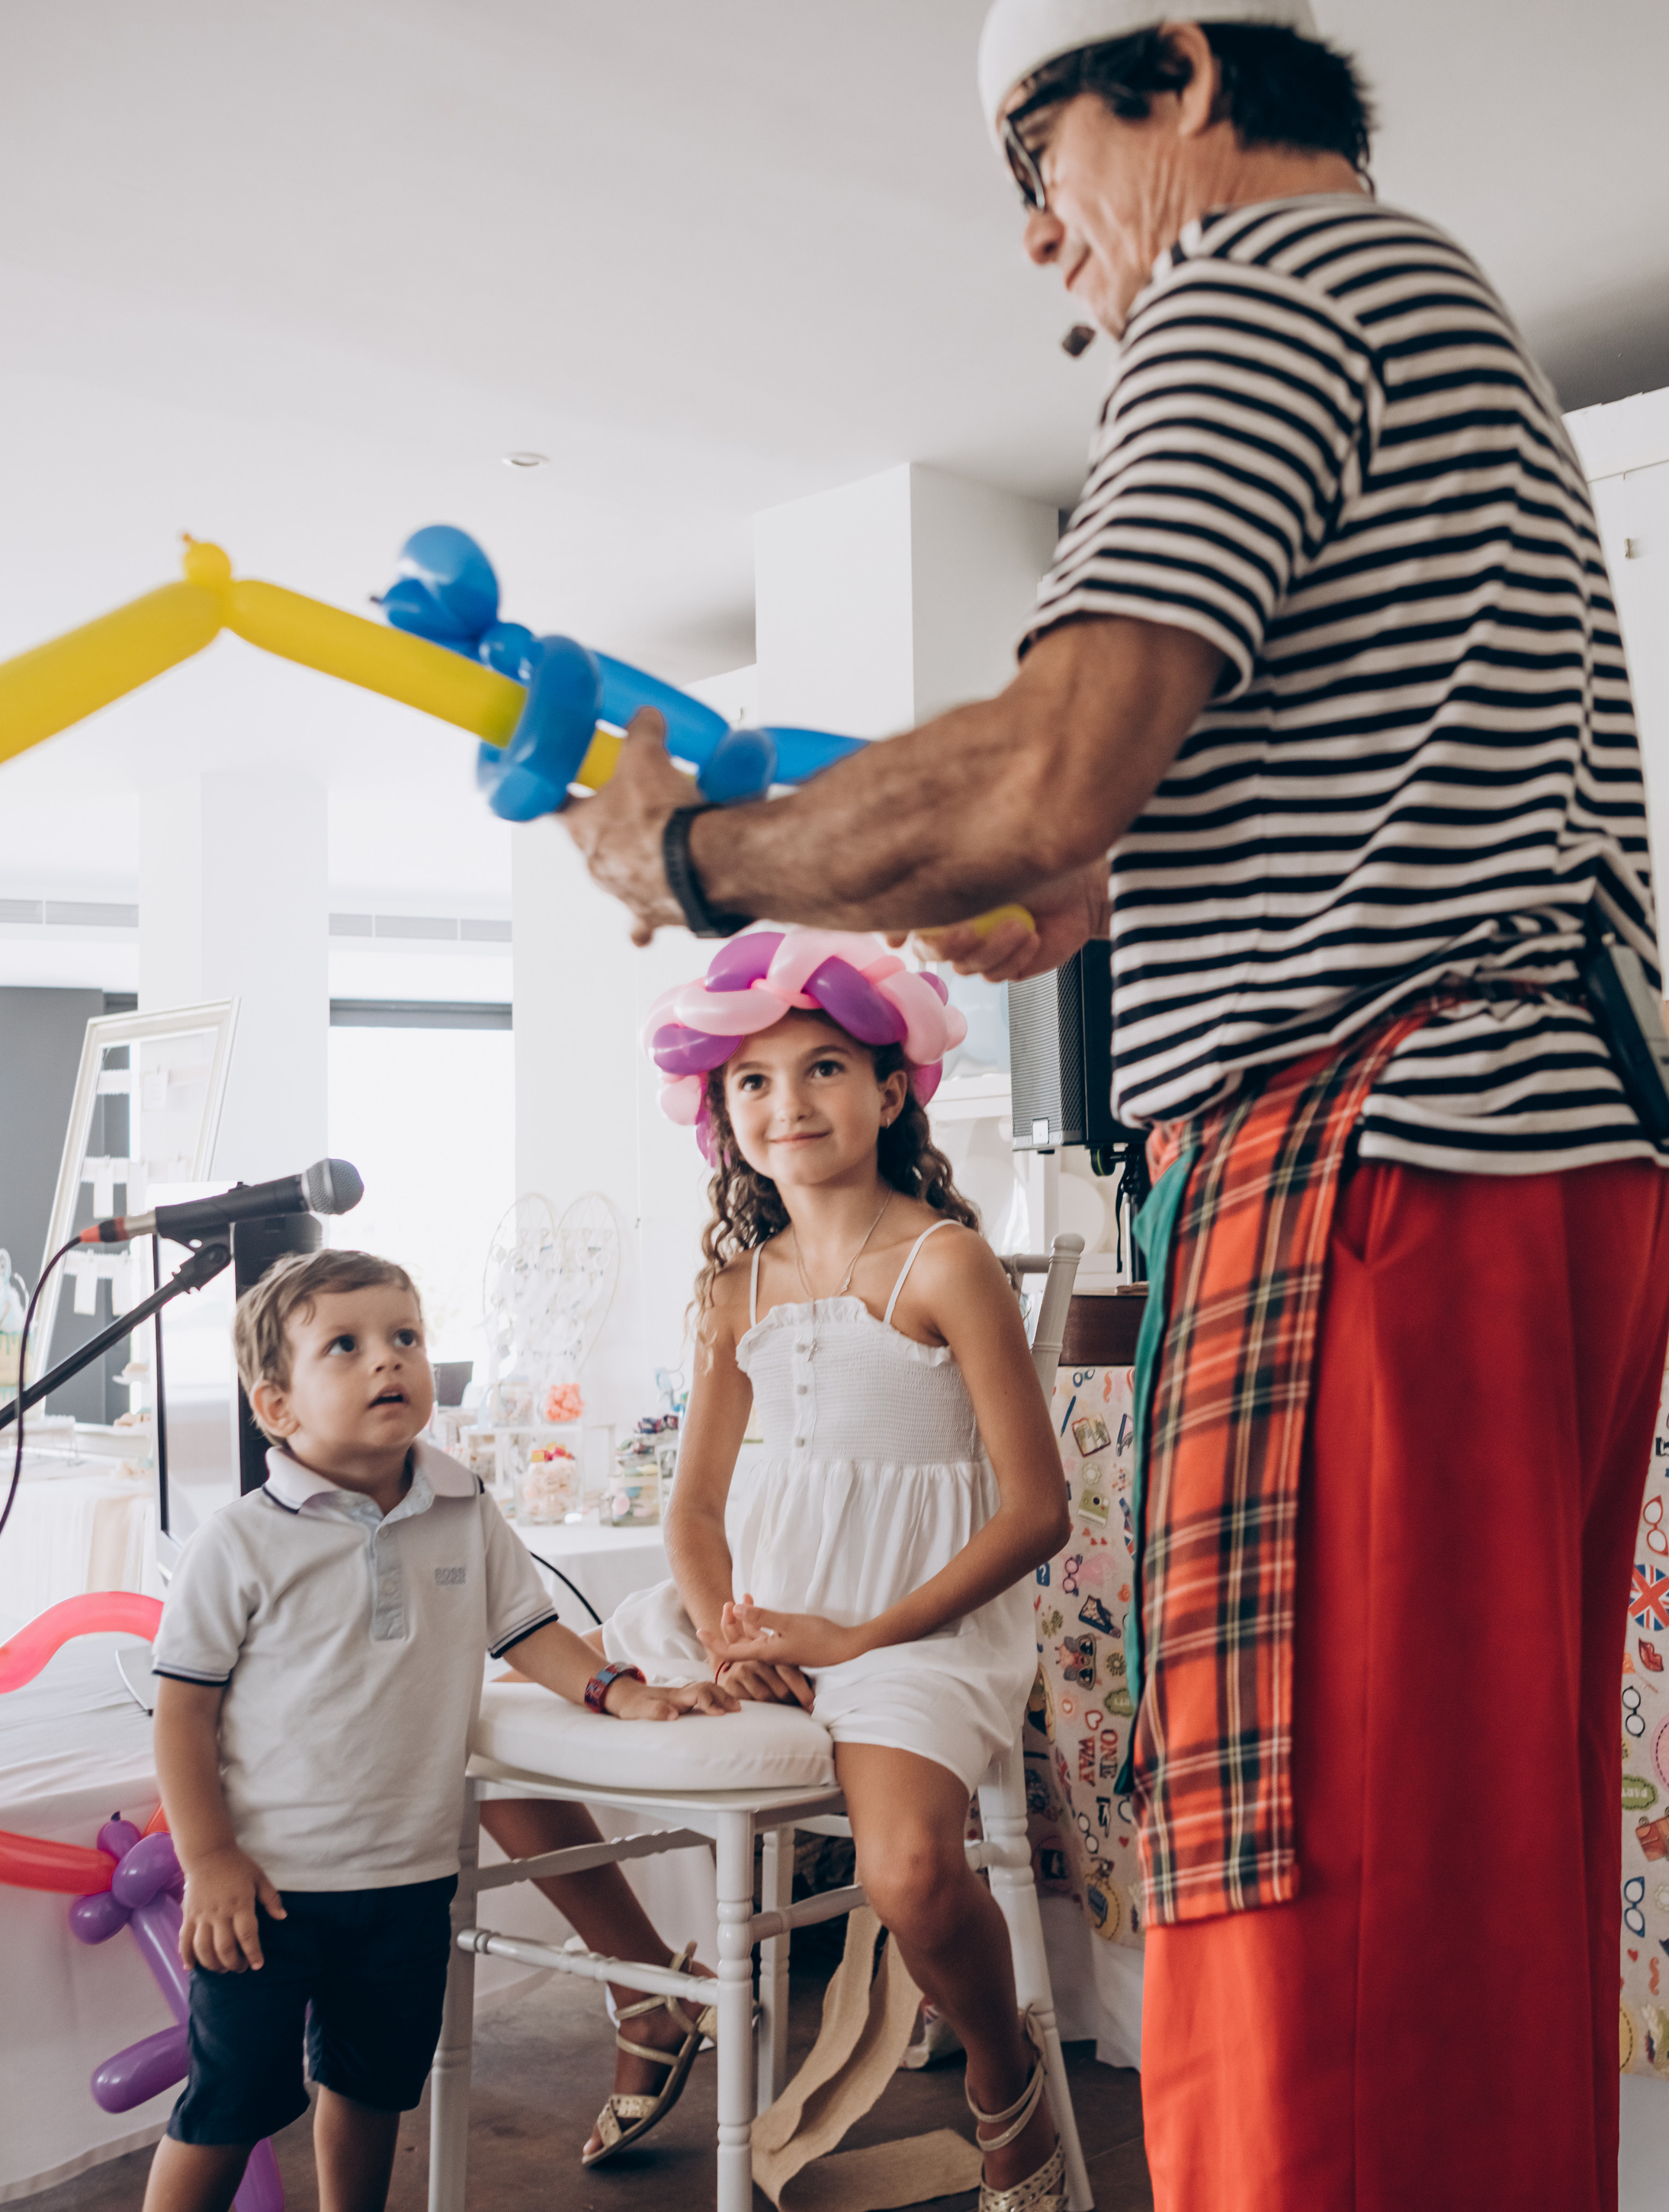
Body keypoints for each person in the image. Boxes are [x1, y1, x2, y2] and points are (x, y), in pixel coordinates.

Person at [560, 7, 1669, 2209]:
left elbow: (1058, 749)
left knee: (1315, 1865)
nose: (1049, 243)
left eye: (1038, 162)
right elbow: (1121, 797)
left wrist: (698, 858)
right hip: (1528, 1149)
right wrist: (1070, 875)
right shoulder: (1428, 310)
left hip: (1378, 1159)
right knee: (1466, 1859)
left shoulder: (1256, 290)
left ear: (1174, 73)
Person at [586, 931, 1071, 2207]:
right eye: (752, 1082)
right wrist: (728, 1628)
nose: (786, 1103)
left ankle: (998, 2072)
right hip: (760, 1616)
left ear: (891, 1090)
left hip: (913, 1629)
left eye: (822, 1069)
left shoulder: (945, 1262)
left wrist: (857, 1641)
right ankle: (647, 1991)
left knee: (910, 1867)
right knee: (495, 1717)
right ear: (721, 1113)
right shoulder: (729, 1292)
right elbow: (693, 1509)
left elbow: (1037, 1512)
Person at [140, 1249, 735, 2212]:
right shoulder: (238, 1542)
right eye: (346, 1346)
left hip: (408, 1879)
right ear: (277, 1406)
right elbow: (182, 1712)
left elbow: (530, 1633)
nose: (389, 1361)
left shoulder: (465, 1507)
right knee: (231, 2104)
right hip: (266, 1888)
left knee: (372, 2087)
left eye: (405, 1338)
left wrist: (616, 1691)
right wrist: (208, 1859)